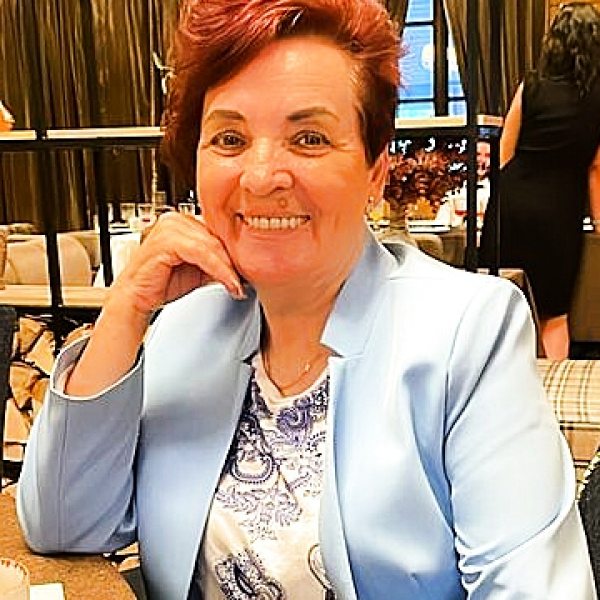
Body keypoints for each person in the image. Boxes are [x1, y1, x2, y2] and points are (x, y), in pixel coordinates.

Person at [17, 0, 594, 598]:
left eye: (309, 138)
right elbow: (65, 525)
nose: (262, 175)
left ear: (375, 170)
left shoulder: (466, 332)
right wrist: (125, 310)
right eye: (230, 138)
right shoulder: (185, 329)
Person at [479, 2, 600, 360]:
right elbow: (595, 169)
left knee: (500, 303)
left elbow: (504, 153)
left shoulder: (531, 85)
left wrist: (500, 199)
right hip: (559, 211)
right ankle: (551, 389)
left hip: (513, 204)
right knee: (554, 313)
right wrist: (598, 222)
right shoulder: (597, 97)